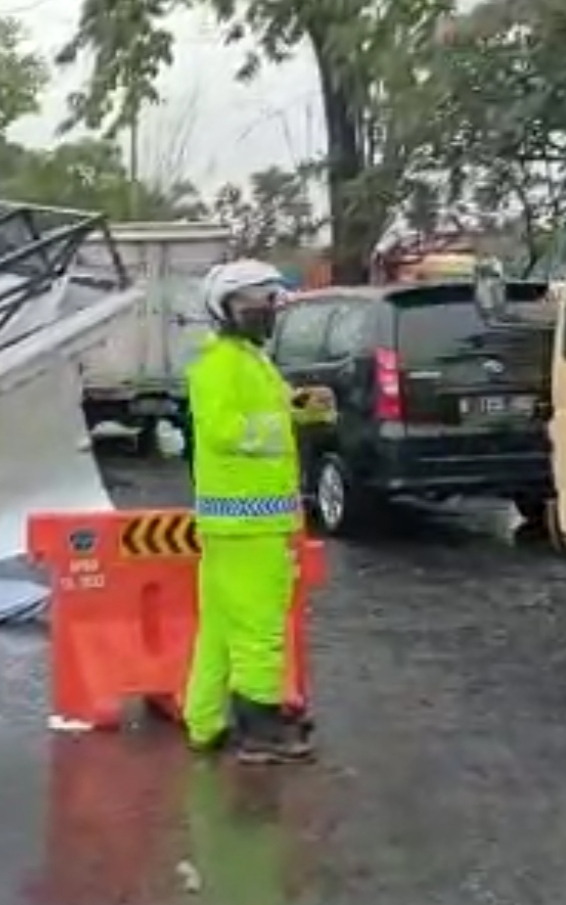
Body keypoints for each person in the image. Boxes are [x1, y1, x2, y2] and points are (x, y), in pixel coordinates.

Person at [184, 259, 311, 765]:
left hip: (241, 525)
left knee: (218, 629)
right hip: (247, 526)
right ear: (229, 308)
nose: (268, 312)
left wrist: (307, 406)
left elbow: (280, 406)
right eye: (260, 302)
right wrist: (282, 427)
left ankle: (206, 722)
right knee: (260, 629)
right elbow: (224, 430)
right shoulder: (217, 365)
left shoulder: (252, 360)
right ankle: (260, 729)